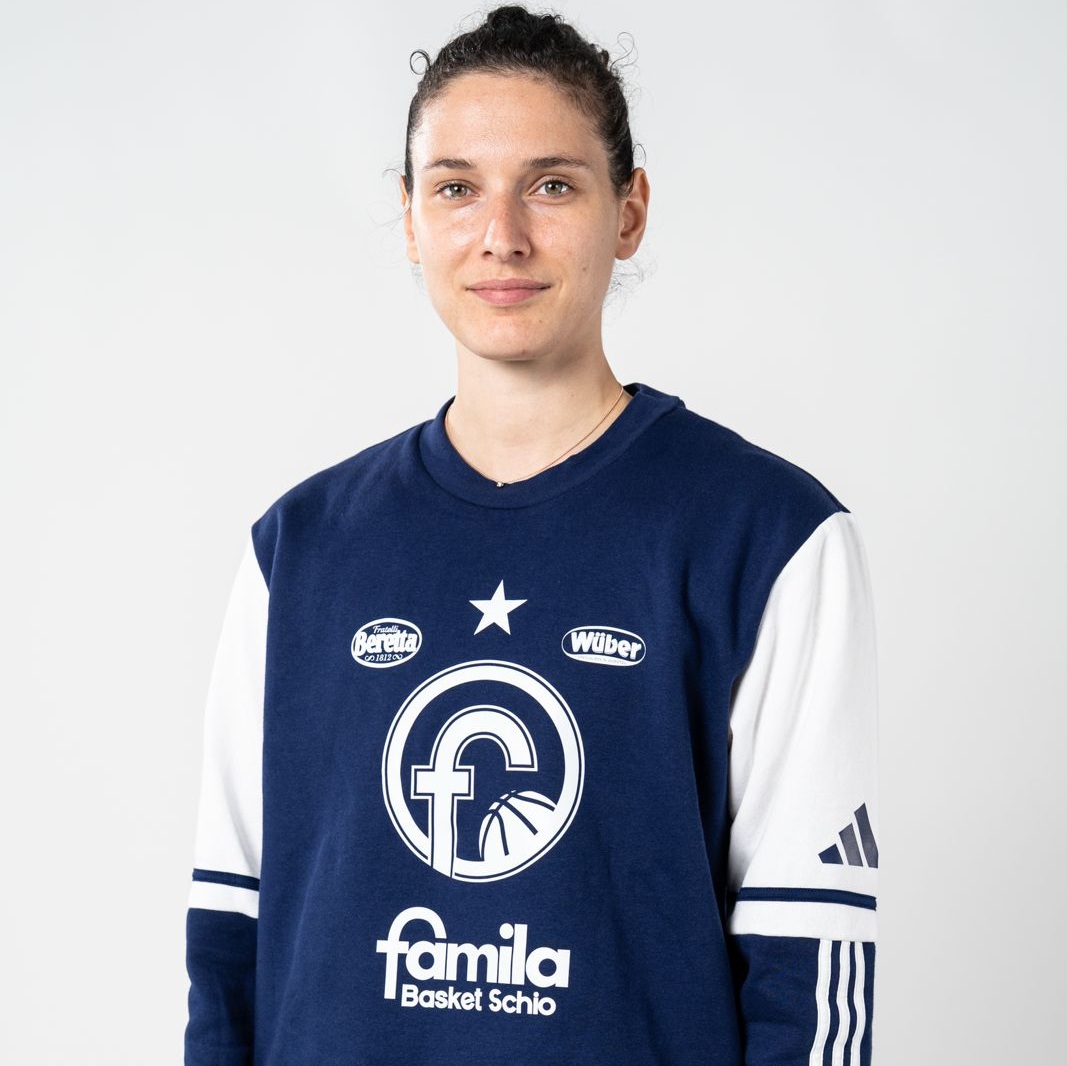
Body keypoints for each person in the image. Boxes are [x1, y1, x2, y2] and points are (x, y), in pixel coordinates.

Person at [184, 6, 879, 1064]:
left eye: (551, 185)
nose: (499, 235)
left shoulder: (768, 538)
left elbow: (810, 974)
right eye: (455, 187)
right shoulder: (300, 548)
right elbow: (226, 941)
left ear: (627, 211)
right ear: (410, 218)